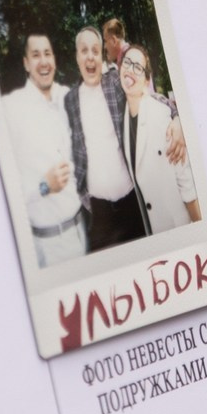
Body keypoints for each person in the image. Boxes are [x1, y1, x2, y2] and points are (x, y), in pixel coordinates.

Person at [0, 33, 85, 266]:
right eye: (36, 55)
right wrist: (43, 186)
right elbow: (1, 183)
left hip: (81, 231)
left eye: (47, 53)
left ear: (54, 59)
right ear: (26, 63)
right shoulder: (11, 109)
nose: (44, 61)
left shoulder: (68, 97)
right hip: (47, 245)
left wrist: (174, 116)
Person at [65, 26, 149, 252]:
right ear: (77, 57)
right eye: (84, 50)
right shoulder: (70, 100)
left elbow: (147, 98)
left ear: (101, 56)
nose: (90, 56)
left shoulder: (114, 83)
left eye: (95, 50)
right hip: (99, 216)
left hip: (132, 204)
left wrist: (176, 118)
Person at [119, 45, 199, 234]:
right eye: (127, 62)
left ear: (147, 80)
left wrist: (201, 228)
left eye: (138, 67)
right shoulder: (122, 119)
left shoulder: (161, 116)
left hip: (178, 226)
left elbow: (186, 183)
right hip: (154, 230)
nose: (130, 69)